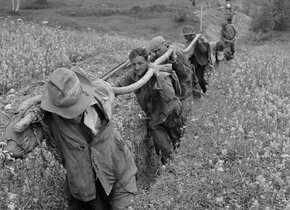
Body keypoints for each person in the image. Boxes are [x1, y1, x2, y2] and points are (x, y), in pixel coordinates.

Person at [3, 68, 138, 210]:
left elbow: (105, 87)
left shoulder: (98, 94)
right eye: (67, 111)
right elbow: (12, 148)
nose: (74, 115)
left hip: (119, 171)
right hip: (86, 184)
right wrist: (33, 110)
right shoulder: (49, 120)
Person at [116, 48, 183, 165]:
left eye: (140, 63)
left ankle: (179, 169)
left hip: (171, 114)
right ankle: (169, 171)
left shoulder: (161, 73)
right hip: (154, 119)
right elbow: (117, 87)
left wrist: (157, 75)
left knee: (178, 144)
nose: (137, 67)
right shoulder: (132, 75)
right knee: (166, 149)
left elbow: (169, 95)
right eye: (134, 64)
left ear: (147, 60)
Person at [148, 36, 193, 120]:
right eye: (155, 51)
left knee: (183, 117)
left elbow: (186, 73)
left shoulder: (177, 53)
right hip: (171, 91)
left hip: (184, 90)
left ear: (165, 45)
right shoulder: (156, 57)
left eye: (158, 50)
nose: (157, 53)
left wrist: (175, 61)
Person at [182, 26, 213, 94]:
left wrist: (198, 40)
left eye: (186, 36)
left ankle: (206, 91)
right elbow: (186, 52)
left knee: (203, 79)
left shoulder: (200, 40)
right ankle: (200, 91)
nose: (185, 37)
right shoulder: (188, 42)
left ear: (191, 35)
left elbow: (204, 49)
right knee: (197, 79)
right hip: (195, 63)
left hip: (203, 62)